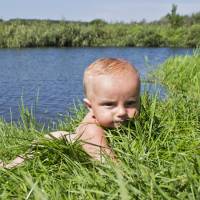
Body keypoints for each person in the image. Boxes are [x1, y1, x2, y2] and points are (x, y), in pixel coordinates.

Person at [0, 58, 140, 169]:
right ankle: (6, 167)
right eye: (109, 104)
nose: (122, 112)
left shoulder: (120, 121)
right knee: (18, 164)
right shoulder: (91, 130)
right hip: (50, 142)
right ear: (90, 107)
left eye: (130, 103)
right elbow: (109, 164)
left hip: (66, 135)